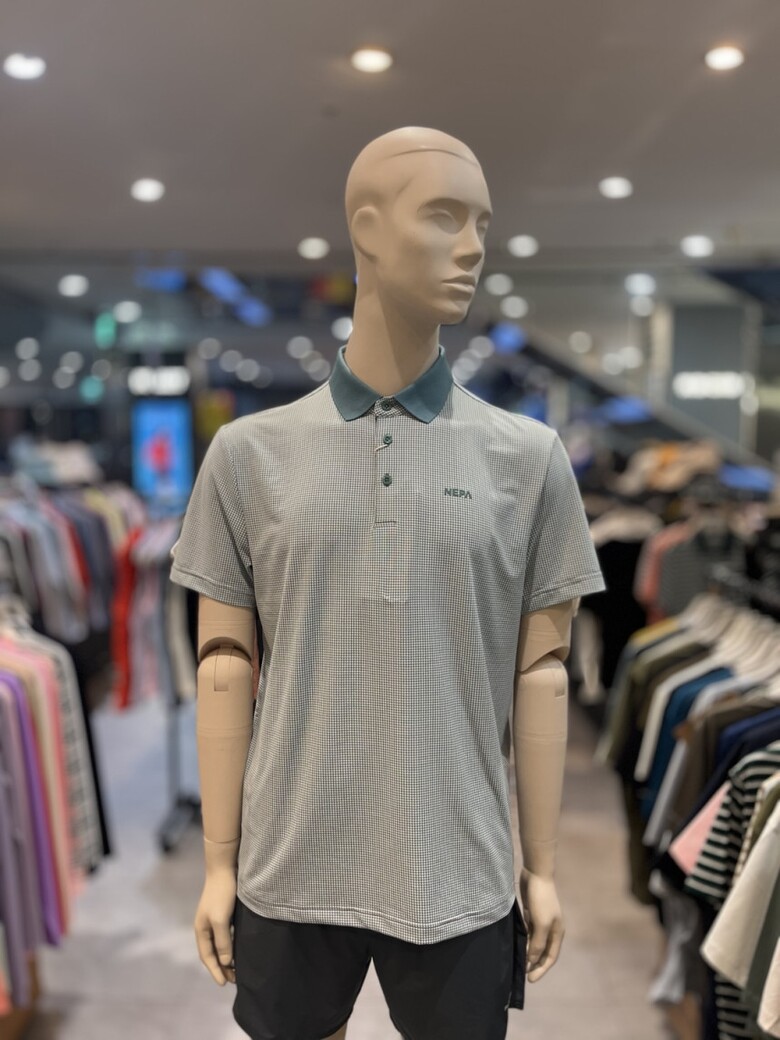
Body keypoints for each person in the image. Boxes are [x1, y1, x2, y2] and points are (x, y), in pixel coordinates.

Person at [170, 126, 605, 1040]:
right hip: (289, 860)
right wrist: (219, 866)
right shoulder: (248, 455)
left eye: (483, 223)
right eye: (445, 216)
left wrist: (541, 869)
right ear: (366, 229)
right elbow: (222, 663)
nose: (473, 247)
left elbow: (543, 673)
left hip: (459, 864)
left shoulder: (529, 458)